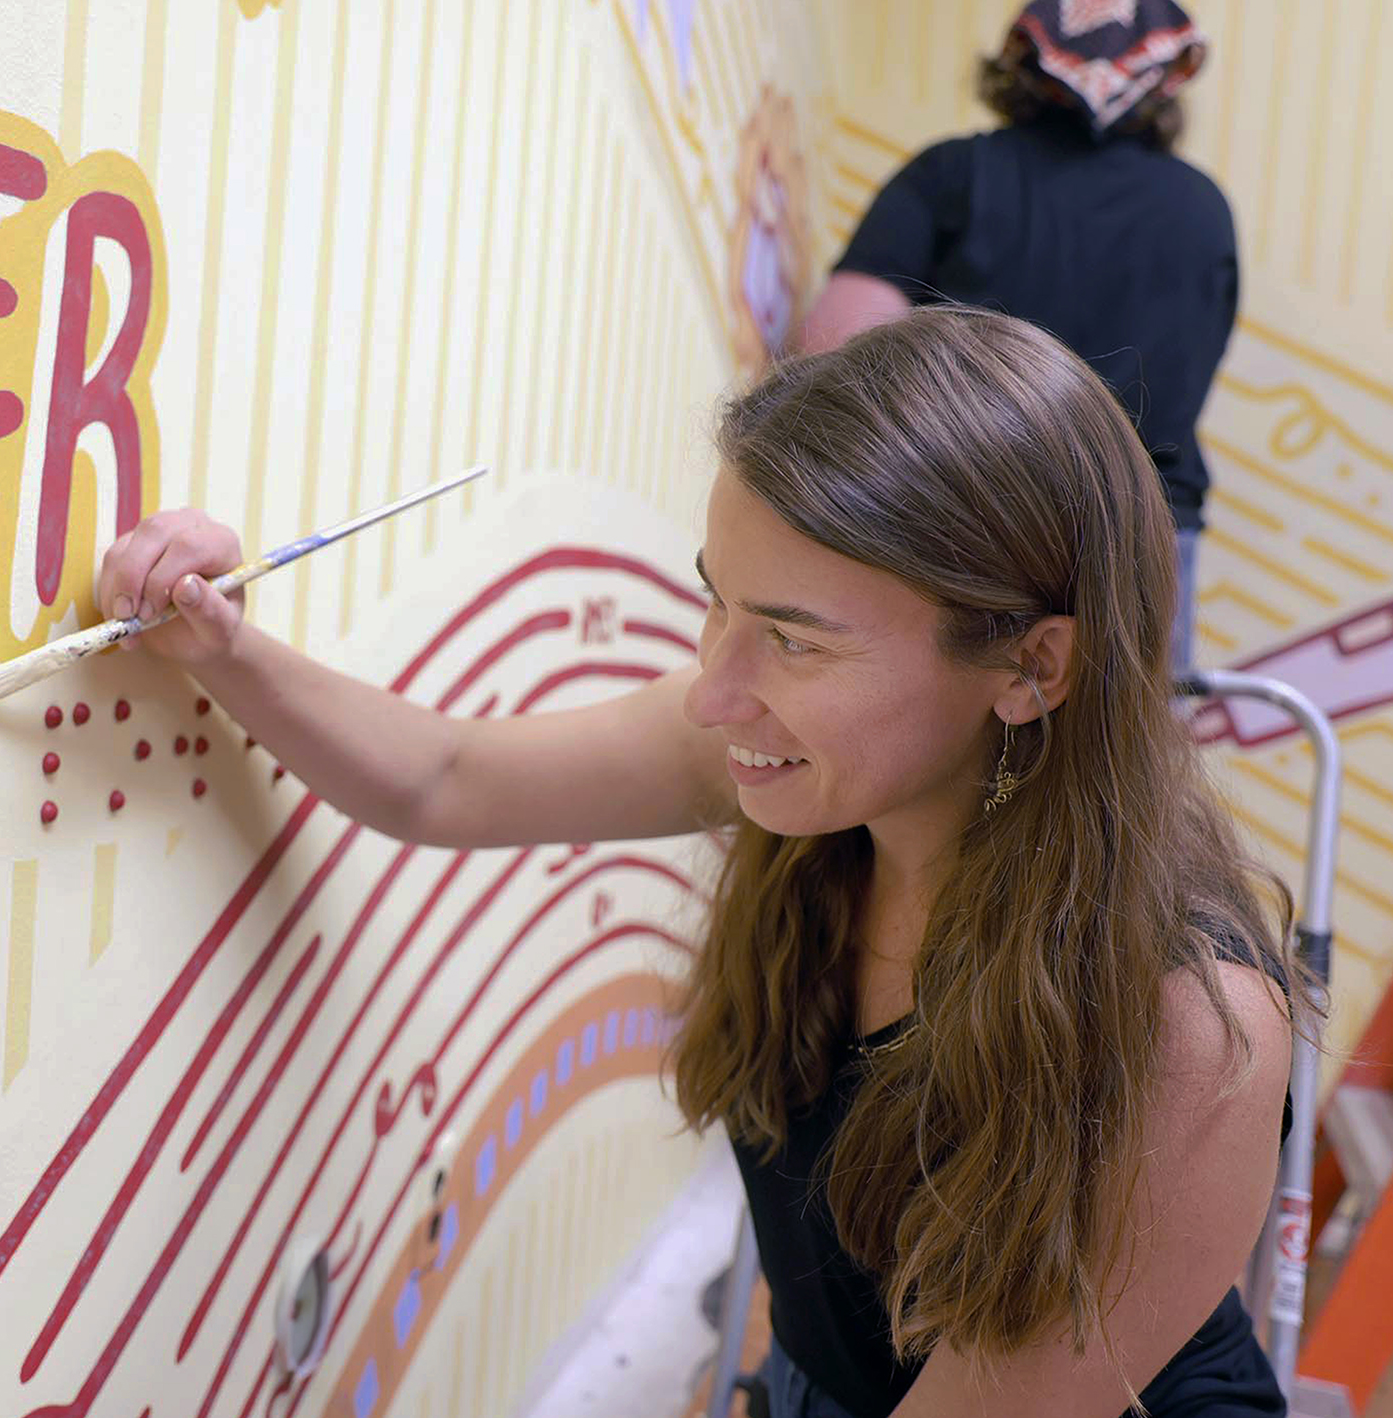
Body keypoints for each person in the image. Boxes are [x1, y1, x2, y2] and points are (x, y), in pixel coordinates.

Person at [96, 307, 1306, 1416]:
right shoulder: (803, 756)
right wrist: (219, 638)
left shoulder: (1184, 1027)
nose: (717, 692)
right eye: (716, 602)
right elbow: (439, 778)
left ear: (1033, 668)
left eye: (790, 639)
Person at [795, 0, 1236, 673]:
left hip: (958, 510)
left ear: (1018, 66)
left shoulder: (954, 173)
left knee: (937, 751)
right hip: (1141, 530)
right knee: (1124, 765)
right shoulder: (1204, 211)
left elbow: (833, 351)